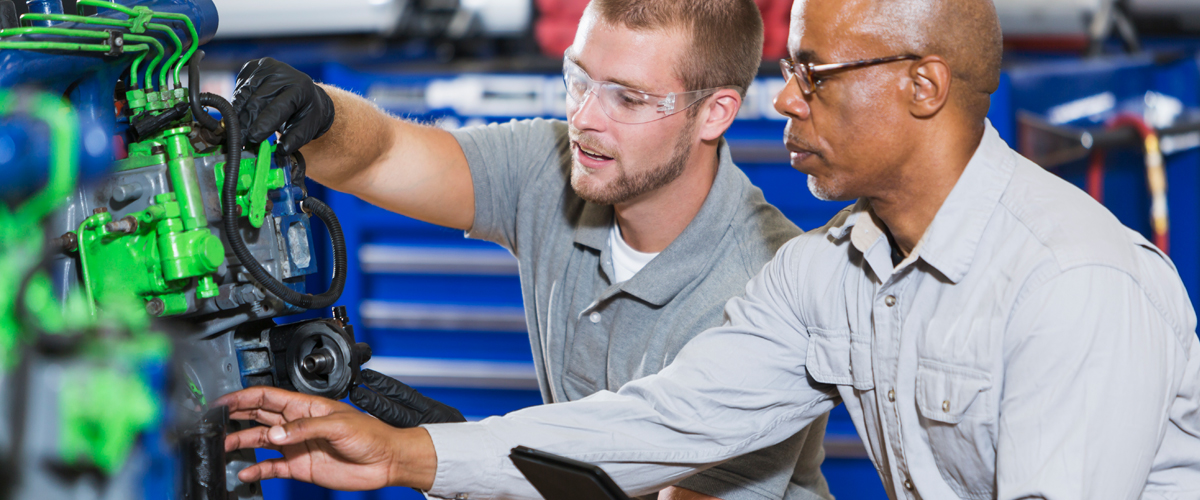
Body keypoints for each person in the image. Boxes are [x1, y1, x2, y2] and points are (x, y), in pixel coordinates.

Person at [220, 0, 1200, 498]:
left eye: (813, 73)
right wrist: (416, 452)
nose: (787, 101)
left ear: (922, 86)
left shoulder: (1075, 284)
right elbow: (664, 419)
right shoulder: (832, 273)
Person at [227, 1, 833, 499]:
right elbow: (383, 153)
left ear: (715, 113)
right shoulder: (556, 165)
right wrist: (323, 115)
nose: (586, 118)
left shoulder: (764, 285)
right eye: (579, 79)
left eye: (627, 97)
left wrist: (446, 458)